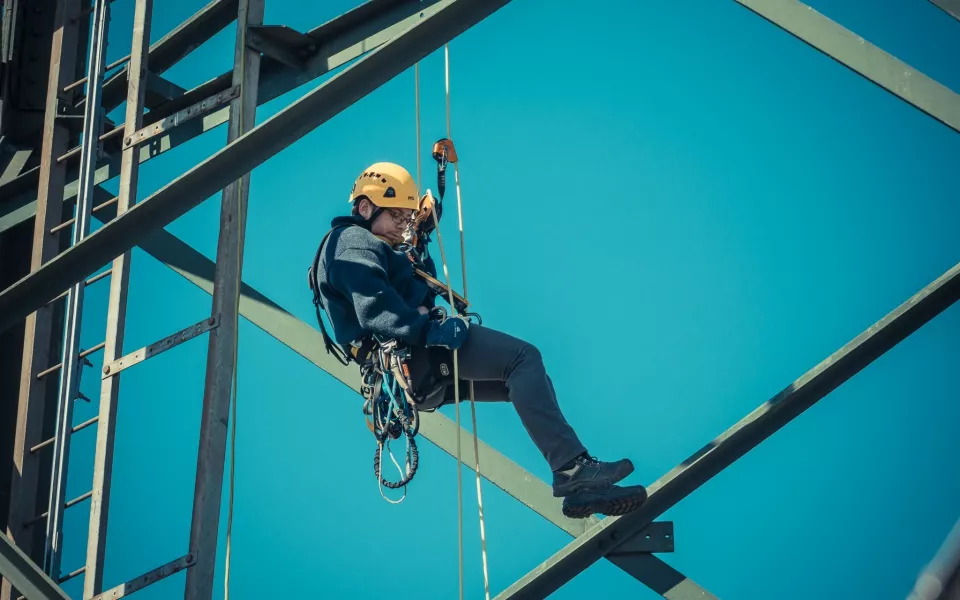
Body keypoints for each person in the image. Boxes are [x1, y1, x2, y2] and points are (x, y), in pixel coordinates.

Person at [308, 161, 648, 518]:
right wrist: (428, 330)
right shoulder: (349, 242)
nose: (402, 228)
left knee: (523, 382)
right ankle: (573, 471)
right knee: (522, 359)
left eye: (407, 220)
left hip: (415, 375)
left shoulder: (375, 247)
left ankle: (579, 485)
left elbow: (409, 291)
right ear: (365, 207)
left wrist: (418, 241)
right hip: (416, 355)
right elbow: (374, 306)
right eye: (397, 217)